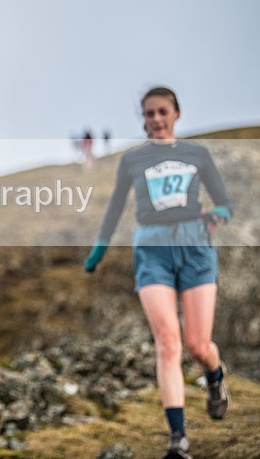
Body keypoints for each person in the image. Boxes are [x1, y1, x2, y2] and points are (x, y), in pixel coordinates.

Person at [84, 87, 232, 459]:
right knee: (168, 342)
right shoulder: (133, 160)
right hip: (152, 252)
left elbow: (225, 203)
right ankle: (178, 439)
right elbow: (116, 206)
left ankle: (215, 376)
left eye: (161, 112)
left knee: (199, 346)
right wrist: (100, 246)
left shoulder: (197, 154)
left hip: (195, 248)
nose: (155, 119)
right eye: (148, 113)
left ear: (176, 114)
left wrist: (218, 215)